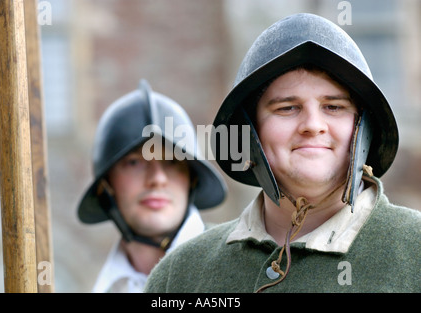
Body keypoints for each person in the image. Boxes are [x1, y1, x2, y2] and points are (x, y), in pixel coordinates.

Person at [144, 13, 420, 292]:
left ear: (361, 128)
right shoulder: (179, 276)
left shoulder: (415, 254)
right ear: (251, 132)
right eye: (287, 108)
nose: (313, 125)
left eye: (333, 107)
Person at [77, 79, 226, 292]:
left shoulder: (243, 267)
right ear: (106, 186)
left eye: (172, 161)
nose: (157, 178)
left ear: (192, 178)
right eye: (134, 162)